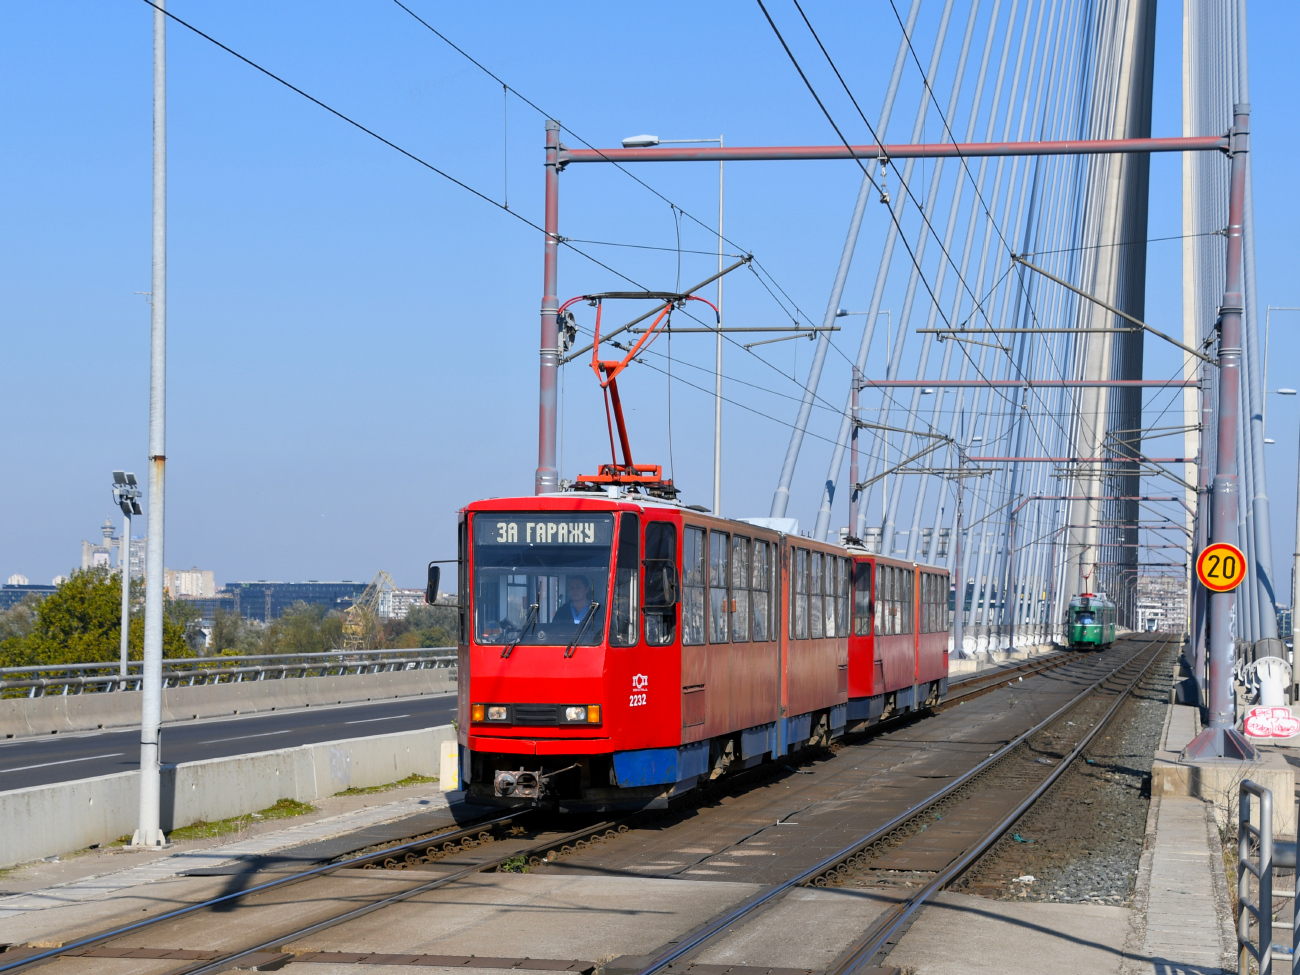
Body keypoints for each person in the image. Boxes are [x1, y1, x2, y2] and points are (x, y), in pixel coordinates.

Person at [544, 575, 603, 643]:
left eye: (578, 587)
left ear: (586, 589)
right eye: (572, 588)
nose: (575, 591)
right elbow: (554, 632)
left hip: (592, 647)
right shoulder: (562, 611)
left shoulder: (598, 610)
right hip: (566, 647)